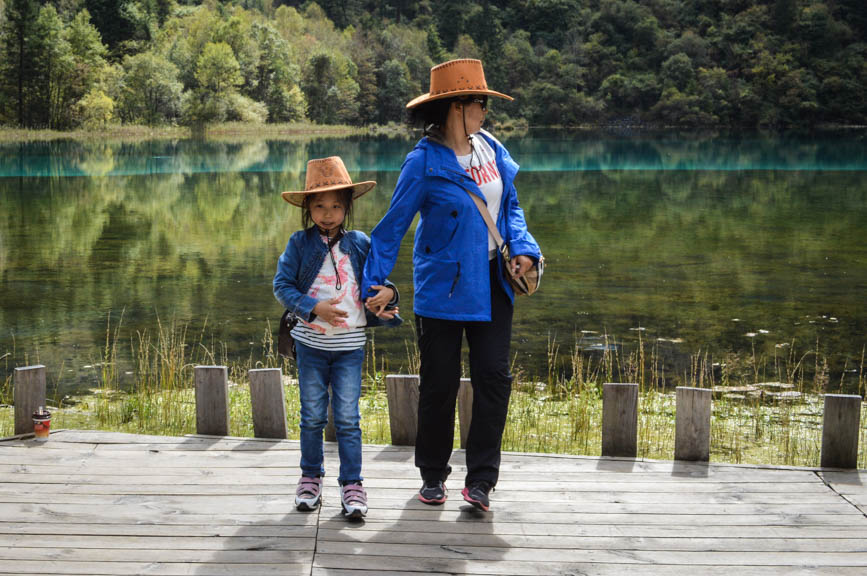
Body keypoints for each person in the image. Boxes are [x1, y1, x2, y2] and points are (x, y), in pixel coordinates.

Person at [362, 59, 541, 512]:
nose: (485, 109)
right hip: (441, 288)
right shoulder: (422, 163)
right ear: (455, 107)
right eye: (479, 101)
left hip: (494, 283)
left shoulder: (491, 149)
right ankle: (433, 476)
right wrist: (373, 284)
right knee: (439, 384)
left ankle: (480, 481)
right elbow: (392, 227)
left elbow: (510, 207)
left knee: (494, 379)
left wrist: (523, 247)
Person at [274, 156, 401, 520]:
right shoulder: (299, 244)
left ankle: (352, 484)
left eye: (335, 206)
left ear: (347, 207)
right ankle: (310, 478)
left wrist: (388, 297)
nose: (327, 214)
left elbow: (380, 283)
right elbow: (281, 286)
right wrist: (314, 308)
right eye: (319, 206)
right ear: (307, 209)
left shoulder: (360, 243)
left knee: (347, 417)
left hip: (349, 348)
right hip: (311, 345)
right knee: (312, 415)